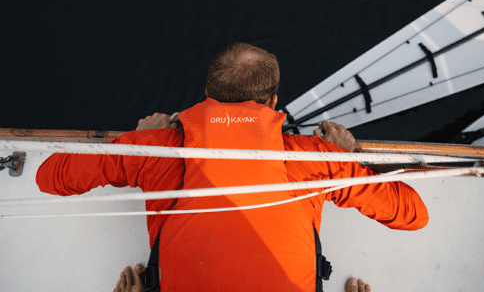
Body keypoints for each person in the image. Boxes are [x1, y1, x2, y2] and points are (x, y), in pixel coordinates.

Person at [37, 43, 428, 292]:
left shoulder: (157, 149)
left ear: (208, 94)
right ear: (273, 101)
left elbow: (49, 177)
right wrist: (343, 158)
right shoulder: (313, 159)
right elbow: (414, 214)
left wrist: (140, 138)